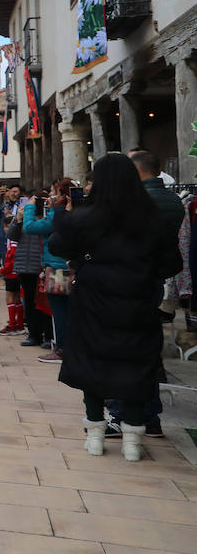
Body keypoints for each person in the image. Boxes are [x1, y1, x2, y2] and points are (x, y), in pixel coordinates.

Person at [50, 154, 184, 461]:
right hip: (137, 303)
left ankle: (96, 434)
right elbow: (171, 263)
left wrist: (63, 214)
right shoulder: (152, 218)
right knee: (135, 367)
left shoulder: (86, 216)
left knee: (92, 363)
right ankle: (133, 440)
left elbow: (58, 245)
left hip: (93, 302)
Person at [120, 149, 185, 437]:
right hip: (155, 282)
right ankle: (151, 416)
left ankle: (129, 414)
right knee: (148, 350)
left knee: (128, 352)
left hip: (132, 283)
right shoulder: (172, 200)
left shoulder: (137, 203)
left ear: (137, 172)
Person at [25, 179, 73, 364]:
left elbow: (30, 227)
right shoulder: (72, 211)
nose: (51, 196)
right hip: (69, 266)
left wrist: (29, 208)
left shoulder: (57, 215)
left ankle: (61, 349)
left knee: (60, 311)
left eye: (54, 192)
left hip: (58, 268)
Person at [9, 190, 53, 348]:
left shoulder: (48, 218)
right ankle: (34, 334)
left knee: (45, 304)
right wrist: (17, 220)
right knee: (29, 302)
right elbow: (12, 235)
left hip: (40, 265)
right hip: (25, 265)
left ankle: (48, 335)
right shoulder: (24, 218)